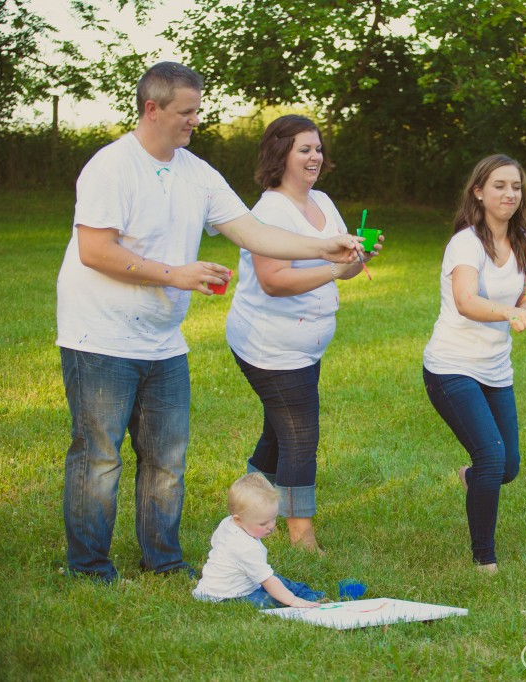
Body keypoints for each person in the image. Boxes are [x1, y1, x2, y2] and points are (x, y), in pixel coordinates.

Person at [55, 62, 361, 583]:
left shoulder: (196, 173)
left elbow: (250, 231)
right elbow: (95, 251)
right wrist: (177, 274)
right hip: (100, 334)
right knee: (100, 457)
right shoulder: (111, 168)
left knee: (167, 459)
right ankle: (89, 568)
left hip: (162, 339)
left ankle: (163, 561)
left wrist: (321, 246)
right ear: (152, 109)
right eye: (186, 112)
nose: (195, 121)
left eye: (197, 110)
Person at [226, 115, 381, 553]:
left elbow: (343, 273)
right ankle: (301, 538)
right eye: (304, 149)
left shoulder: (324, 202)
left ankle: (246, 503)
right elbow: (273, 280)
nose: (315, 157)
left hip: (305, 345)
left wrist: (358, 256)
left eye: (317, 148)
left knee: (279, 432)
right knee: (299, 437)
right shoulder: (268, 211)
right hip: (269, 346)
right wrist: (335, 267)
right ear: (281, 154)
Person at [422, 154, 526, 574]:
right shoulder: (466, 243)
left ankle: (472, 478)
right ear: (478, 191)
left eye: (515, 187)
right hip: (452, 366)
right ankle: (484, 560)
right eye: (499, 186)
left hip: (496, 367)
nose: (509, 194)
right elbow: (466, 301)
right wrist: (510, 314)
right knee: (492, 459)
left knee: (507, 467)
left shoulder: (522, 239)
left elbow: (518, 300)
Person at [193, 473, 324, 608]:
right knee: (271, 597)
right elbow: (267, 581)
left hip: (226, 585)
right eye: (263, 523)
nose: (271, 526)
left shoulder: (228, 523)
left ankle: (309, 595)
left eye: (273, 518)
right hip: (228, 596)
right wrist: (292, 601)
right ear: (238, 519)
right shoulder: (246, 548)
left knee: (278, 580)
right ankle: (299, 599)